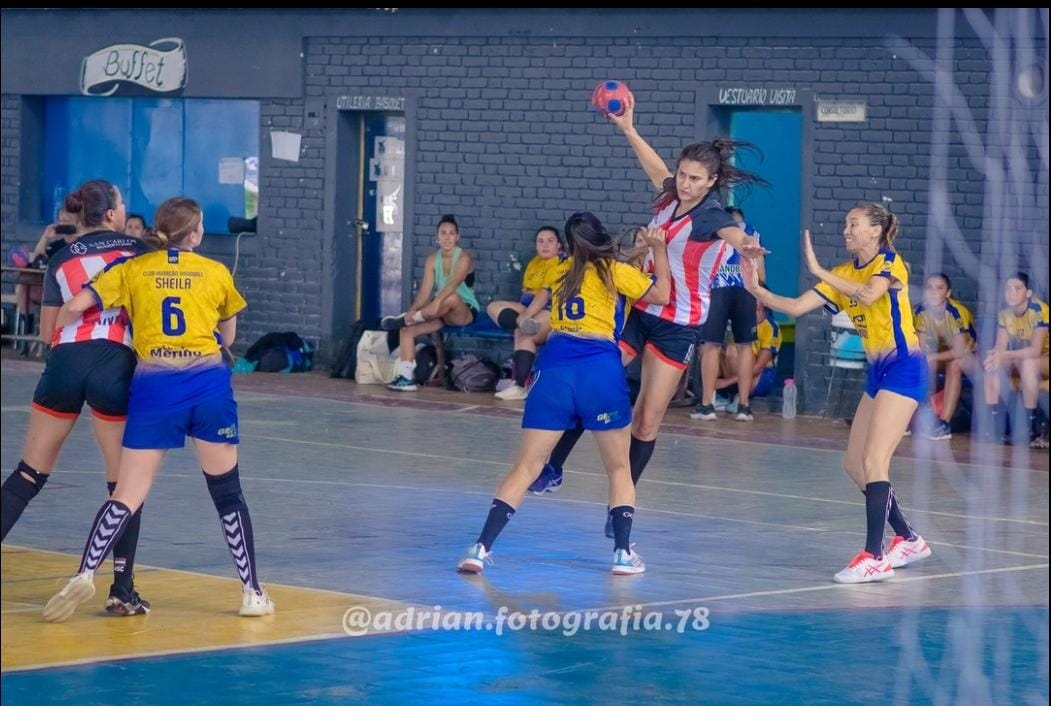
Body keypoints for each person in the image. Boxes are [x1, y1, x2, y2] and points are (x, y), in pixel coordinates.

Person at [529, 93, 766, 536]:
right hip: (641, 310)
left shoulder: (711, 216)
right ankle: (554, 467)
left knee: (646, 419)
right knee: (590, 382)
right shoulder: (671, 198)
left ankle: (621, 501)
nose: (685, 184)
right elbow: (656, 169)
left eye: (695, 179)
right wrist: (628, 129)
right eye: (683, 175)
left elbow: (733, 234)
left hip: (678, 324)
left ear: (712, 182)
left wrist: (747, 246)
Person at [42, 196, 274, 622]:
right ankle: (252, 593)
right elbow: (227, 336)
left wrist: (62, 344)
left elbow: (74, 307)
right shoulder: (215, 272)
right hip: (206, 387)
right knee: (227, 493)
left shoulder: (132, 268)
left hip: (154, 388)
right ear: (195, 234)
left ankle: (84, 572)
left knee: (127, 493)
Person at [456, 212, 670, 575]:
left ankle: (479, 549)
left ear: (569, 246)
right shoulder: (615, 271)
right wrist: (659, 251)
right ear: (602, 238)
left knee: (526, 467)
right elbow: (662, 295)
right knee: (619, 468)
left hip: (554, 368)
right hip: (598, 367)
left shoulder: (561, 270)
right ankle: (622, 553)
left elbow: (587, 266)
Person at [741, 202, 932, 583]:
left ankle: (874, 556)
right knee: (854, 465)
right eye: (846, 224)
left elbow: (869, 295)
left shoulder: (889, 263)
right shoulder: (843, 274)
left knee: (875, 460)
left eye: (854, 224)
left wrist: (818, 269)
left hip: (905, 367)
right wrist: (754, 288)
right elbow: (796, 307)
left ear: (876, 230)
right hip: (878, 372)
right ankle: (909, 539)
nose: (846, 230)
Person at [1, 180, 152, 616]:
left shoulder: (62, 258)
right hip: (114, 362)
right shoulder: (138, 250)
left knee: (29, 473)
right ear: (112, 214)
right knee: (124, 484)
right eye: (122, 203)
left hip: (65, 361)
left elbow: (47, 332)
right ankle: (122, 590)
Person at [382, 214, 481, 391]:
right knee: (407, 329)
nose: (447, 237)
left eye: (451, 233)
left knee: (452, 297)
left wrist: (437, 301)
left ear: (457, 237)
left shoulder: (464, 258)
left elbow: (453, 284)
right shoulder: (432, 260)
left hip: (463, 311)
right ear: (437, 237)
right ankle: (406, 378)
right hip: (440, 312)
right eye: (443, 233)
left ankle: (414, 317)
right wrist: (412, 311)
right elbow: (424, 293)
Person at [692, 206, 766, 422]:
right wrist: (759, 295)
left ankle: (707, 405)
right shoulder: (752, 232)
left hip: (717, 288)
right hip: (746, 289)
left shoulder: (713, 230)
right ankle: (744, 406)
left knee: (711, 345)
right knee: (745, 346)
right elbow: (761, 275)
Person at [486, 225, 563, 400]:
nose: (545, 245)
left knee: (525, 335)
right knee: (493, 307)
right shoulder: (534, 263)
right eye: (540, 241)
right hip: (527, 307)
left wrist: (527, 315)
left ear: (559, 245)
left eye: (550, 241)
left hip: (549, 309)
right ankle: (523, 323)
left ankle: (519, 386)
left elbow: (544, 295)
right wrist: (524, 316)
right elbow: (526, 293)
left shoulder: (561, 263)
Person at [982, 272, 1049, 448]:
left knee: (1028, 364)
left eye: (1018, 288)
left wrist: (1003, 355)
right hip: (1022, 358)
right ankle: (994, 426)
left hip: (1044, 358)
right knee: (992, 366)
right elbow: (1000, 346)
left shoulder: (1039, 310)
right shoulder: (1005, 314)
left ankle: (1029, 427)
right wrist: (995, 356)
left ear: (1028, 293)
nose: (1012, 293)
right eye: (1008, 289)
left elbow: (1035, 350)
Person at [914, 273, 977, 440]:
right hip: (943, 354)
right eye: (929, 288)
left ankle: (944, 424)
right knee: (921, 363)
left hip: (972, 356)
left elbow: (960, 351)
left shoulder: (955, 312)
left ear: (948, 293)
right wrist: (927, 357)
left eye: (939, 288)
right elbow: (921, 348)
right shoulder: (921, 311)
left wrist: (933, 357)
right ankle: (916, 417)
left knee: (954, 364)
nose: (933, 292)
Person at [710, 295, 782, 413]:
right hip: (738, 374)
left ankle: (740, 397)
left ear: (764, 304)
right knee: (712, 350)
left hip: (762, 377)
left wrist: (725, 383)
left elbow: (758, 367)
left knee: (735, 351)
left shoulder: (770, 327)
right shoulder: (741, 320)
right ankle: (724, 396)